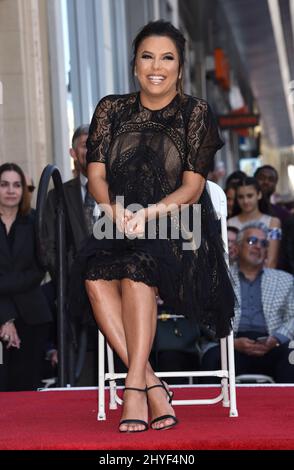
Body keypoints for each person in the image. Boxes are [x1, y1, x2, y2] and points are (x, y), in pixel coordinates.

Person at [72, 20, 235, 433]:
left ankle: (132, 389)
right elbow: (95, 177)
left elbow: (193, 188)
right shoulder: (110, 109)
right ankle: (151, 384)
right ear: (134, 65)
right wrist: (112, 210)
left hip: (180, 227)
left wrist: (146, 214)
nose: (156, 66)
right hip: (119, 220)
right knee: (94, 274)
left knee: (136, 266)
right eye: (147, 56)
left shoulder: (195, 113)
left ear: (179, 68)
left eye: (167, 58)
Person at [201, 222, 294, 382]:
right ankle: (213, 408)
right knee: (212, 358)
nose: (258, 246)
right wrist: (232, 343)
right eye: (252, 241)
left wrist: (277, 339)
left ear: (266, 252)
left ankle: (286, 408)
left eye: (264, 244)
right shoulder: (219, 278)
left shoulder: (284, 280)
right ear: (237, 247)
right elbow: (206, 317)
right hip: (231, 343)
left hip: (272, 344)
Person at [44, 125, 101, 385]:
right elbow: (48, 245)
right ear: (73, 151)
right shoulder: (58, 195)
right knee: (78, 355)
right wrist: (68, 276)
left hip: (111, 284)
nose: (90, 150)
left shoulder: (118, 191)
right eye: (84, 144)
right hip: (73, 289)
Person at [0, 163, 52, 391]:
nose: (11, 190)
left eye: (16, 185)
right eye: (4, 185)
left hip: (32, 317)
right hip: (1, 314)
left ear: (24, 190)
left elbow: (39, 269)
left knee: (26, 388)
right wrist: (6, 317)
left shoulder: (35, 222)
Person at [228, 176, 281, 268]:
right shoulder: (229, 223)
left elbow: (272, 260)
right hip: (235, 278)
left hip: (266, 277)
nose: (245, 201)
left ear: (259, 194)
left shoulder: (274, 223)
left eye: (250, 195)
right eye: (241, 197)